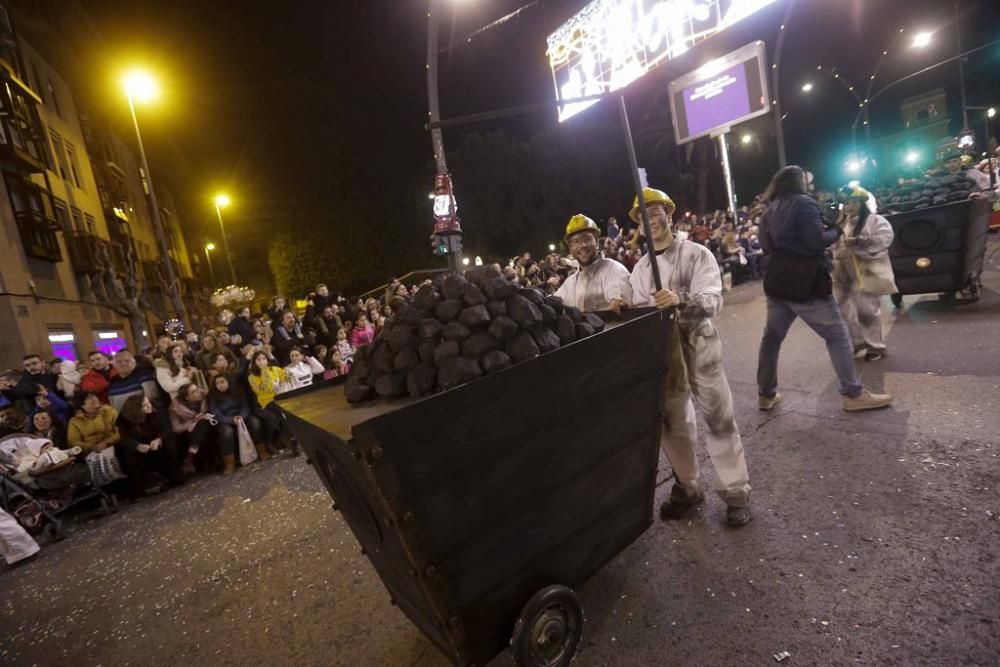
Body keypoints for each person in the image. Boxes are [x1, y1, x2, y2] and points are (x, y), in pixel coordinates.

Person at [628, 187, 752, 527]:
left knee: (719, 419)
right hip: (664, 352)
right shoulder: (640, 269)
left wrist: (679, 298)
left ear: (669, 216)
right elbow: (640, 311)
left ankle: (736, 492)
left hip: (700, 345)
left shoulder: (697, 254)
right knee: (672, 423)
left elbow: (713, 300)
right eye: (643, 217)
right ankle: (688, 486)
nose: (650, 221)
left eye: (656, 214)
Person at [756, 166, 892, 412]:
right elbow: (816, 242)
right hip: (806, 281)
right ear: (798, 182)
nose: (810, 183)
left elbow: (766, 246)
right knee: (837, 335)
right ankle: (853, 394)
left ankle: (766, 394)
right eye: (807, 179)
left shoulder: (769, 210)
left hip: (777, 281)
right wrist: (837, 229)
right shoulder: (803, 204)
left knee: (772, 338)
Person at [831, 185, 896, 362]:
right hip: (841, 272)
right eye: (846, 203)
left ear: (862, 203)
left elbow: (885, 239)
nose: (849, 206)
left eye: (853, 202)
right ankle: (856, 342)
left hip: (865, 270)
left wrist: (860, 241)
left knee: (866, 309)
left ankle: (875, 346)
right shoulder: (840, 224)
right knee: (840, 308)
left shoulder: (875, 220)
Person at [554, 214, 633, 314]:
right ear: (570, 248)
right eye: (576, 241)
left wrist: (619, 303)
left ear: (597, 242)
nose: (582, 245)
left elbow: (619, 298)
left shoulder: (613, 269)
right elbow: (553, 302)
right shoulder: (570, 283)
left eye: (587, 239)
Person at [116, 395, 184, 499]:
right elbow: (126, 438)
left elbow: (166, 427)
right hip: (140, 443)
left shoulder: (158, 408)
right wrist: (137, 446)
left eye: (148, 403)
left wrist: (159, 439)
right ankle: (138, 490)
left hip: (157, 439)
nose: (149, 406)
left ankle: (175, 478)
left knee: (170, 446)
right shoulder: (124, 419)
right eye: (145, 405)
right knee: (128, 456)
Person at [207, 374, 271, 465]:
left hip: (242, 415)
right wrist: (231, 420)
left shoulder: (238, 390)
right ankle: (229, 463)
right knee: (226, 432)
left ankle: (262, 451)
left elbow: (245, 405)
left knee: (255, 422)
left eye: (222, 382)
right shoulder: (213, 396)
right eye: (217, 383)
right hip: (225, 420)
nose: (220, 385)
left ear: (228, 381)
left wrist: (241, 416)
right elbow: (216, 414)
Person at [245, 351, 299, 456]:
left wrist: (287, 376)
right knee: (284, 413)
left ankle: (293, 441)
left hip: (282, 396)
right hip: (267, 400)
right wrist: (264, 371)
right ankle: (293, 443)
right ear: (254, 362)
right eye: (259, 359)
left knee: (288, 414)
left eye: (264, 359)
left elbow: (287, 377)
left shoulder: (275, 369)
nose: (262, 361)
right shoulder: (252, 377)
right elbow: (266, 389)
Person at [169, 383, 218, 474]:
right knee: (203, 428)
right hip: (190, 430)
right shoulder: (175, 408)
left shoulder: (205, 395)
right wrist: (194, 421)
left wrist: (202, 416)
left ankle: (190, 458)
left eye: (197, 389)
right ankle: (202, 462)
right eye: (193, 392)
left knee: (204, 424)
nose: (198, 392)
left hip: (208, 423)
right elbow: (176, 428)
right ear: (187, 398)